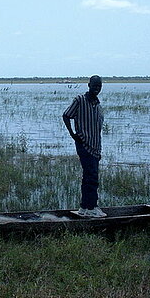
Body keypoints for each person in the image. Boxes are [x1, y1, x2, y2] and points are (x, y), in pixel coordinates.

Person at [62, 75, 107, 217]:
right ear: (89, 85)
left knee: (90, 176)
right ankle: (90, 207)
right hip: (84, 144)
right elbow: (66, 115)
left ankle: (86, 207)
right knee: (91, 177)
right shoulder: (80, 100)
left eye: (99, 86)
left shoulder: (98, 105)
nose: (97, 89)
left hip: (95, 147)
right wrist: (73, 134)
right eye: (94, 86)